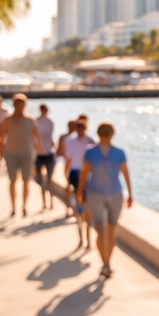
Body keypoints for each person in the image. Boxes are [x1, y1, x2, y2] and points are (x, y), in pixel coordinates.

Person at [77, 122, 132, 279]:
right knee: (105, 231)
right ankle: (106, 263)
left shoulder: (117, 152)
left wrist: (80, 192)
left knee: (108, 231)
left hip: (109, 194)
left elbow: (84, 173)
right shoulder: (92, 152)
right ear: (113, 134)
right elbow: (125, 173)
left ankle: (107, 263)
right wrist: (130, 193)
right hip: (101, 194)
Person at [0, 94, 44, 217]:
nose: (20, 107)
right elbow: (1, 138)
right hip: (11, 154)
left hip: (26, 154)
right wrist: (1, 154)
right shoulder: (7, 120)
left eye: (22, 105)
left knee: (26, 181)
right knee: (12, 180)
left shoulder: (30, 120)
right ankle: (13, 207)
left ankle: (24, 206)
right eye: (17, 104)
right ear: (14, 104)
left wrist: (38, 151)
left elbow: (36, 137)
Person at [59, 119, 95, 249]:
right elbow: (68, 160)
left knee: (87, 210)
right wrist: (66, 174)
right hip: (75, 174)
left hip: (86, 175)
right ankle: (81, 239)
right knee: (79, 209)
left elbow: (94, 161)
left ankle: (88, 240)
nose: (80, 131)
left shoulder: (90, 141)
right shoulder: (71, 141)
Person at [33, 103, 57, 209]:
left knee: (44, 180)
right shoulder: (49, 121)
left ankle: (47, 203)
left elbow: (34, 138)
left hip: (41, 153)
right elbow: (50, 137)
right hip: (45, 153)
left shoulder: (36, 121)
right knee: (48, 180)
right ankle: (48, 203)